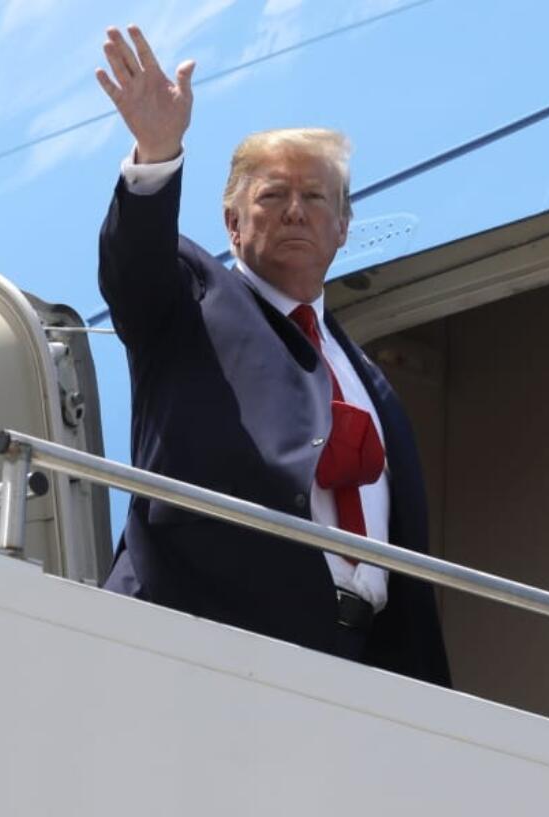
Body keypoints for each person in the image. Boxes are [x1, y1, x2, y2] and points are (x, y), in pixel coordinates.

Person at [94, 26, 450, 684]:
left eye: (315, 197)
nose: (294, 212)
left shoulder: (366, 377)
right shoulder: (190, 296)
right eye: (271, 196)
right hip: (198, 641)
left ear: (343, 227)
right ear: (232, 223)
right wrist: (157, 150)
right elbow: (132, 268)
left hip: (353, 662)